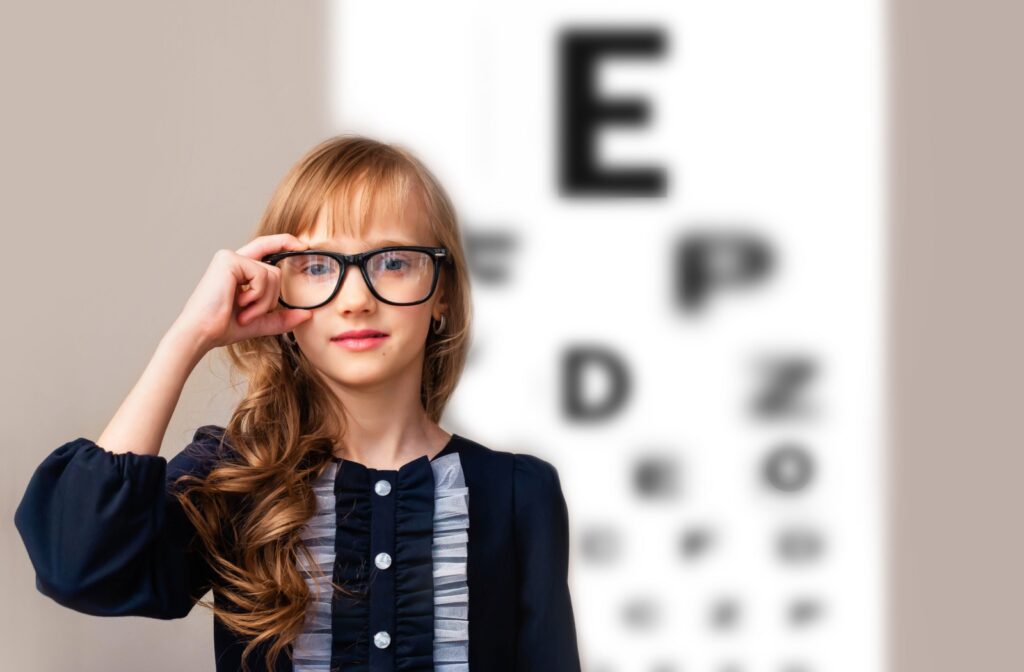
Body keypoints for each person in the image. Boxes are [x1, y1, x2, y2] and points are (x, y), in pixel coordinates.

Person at [13, 135, 582, 672]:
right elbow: (78, 564)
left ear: (443, 296)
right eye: (317, 267)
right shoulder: (236, 476)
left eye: (394, 261)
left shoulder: (519, 495)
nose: (356, 300)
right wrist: (189, 335)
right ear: (275, 290)